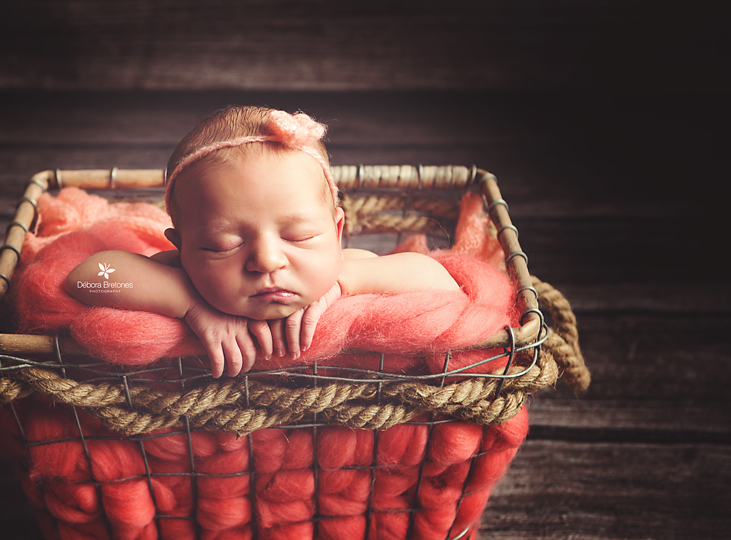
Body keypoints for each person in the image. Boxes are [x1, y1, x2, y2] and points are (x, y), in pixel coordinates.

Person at [66, 106, 459, 378]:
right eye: (222, 245)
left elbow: (445, 287)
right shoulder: (181, 280)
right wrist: (188, 304)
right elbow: (86, 278)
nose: (268, 260)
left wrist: (344, 283)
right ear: (182, 248)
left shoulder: (348, 269)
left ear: (337, 231)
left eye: (299, 236)